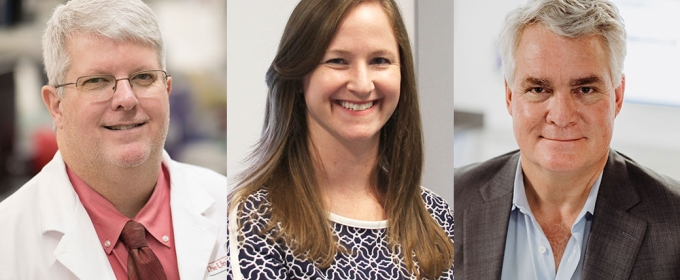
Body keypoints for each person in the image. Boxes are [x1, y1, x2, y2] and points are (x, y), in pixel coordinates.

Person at [226, 0, 454, 279]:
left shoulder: (439, 216)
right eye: (337, 61)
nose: (362, 84)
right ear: (299, 76)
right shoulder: (255, 219)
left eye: (379, 61)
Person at [0, 0, 227, 279]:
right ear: (56, 105)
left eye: (143, 77)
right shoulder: (7, 241)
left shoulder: (235, 207)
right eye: (97, 81)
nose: (126, 99)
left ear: (167, 91)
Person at [454, 0, 680, 278]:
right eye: (538, 88)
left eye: (585, 89)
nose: (561, 116)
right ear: (510, 96)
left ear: (617, 97)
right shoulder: (446, 203)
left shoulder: (675, 224)